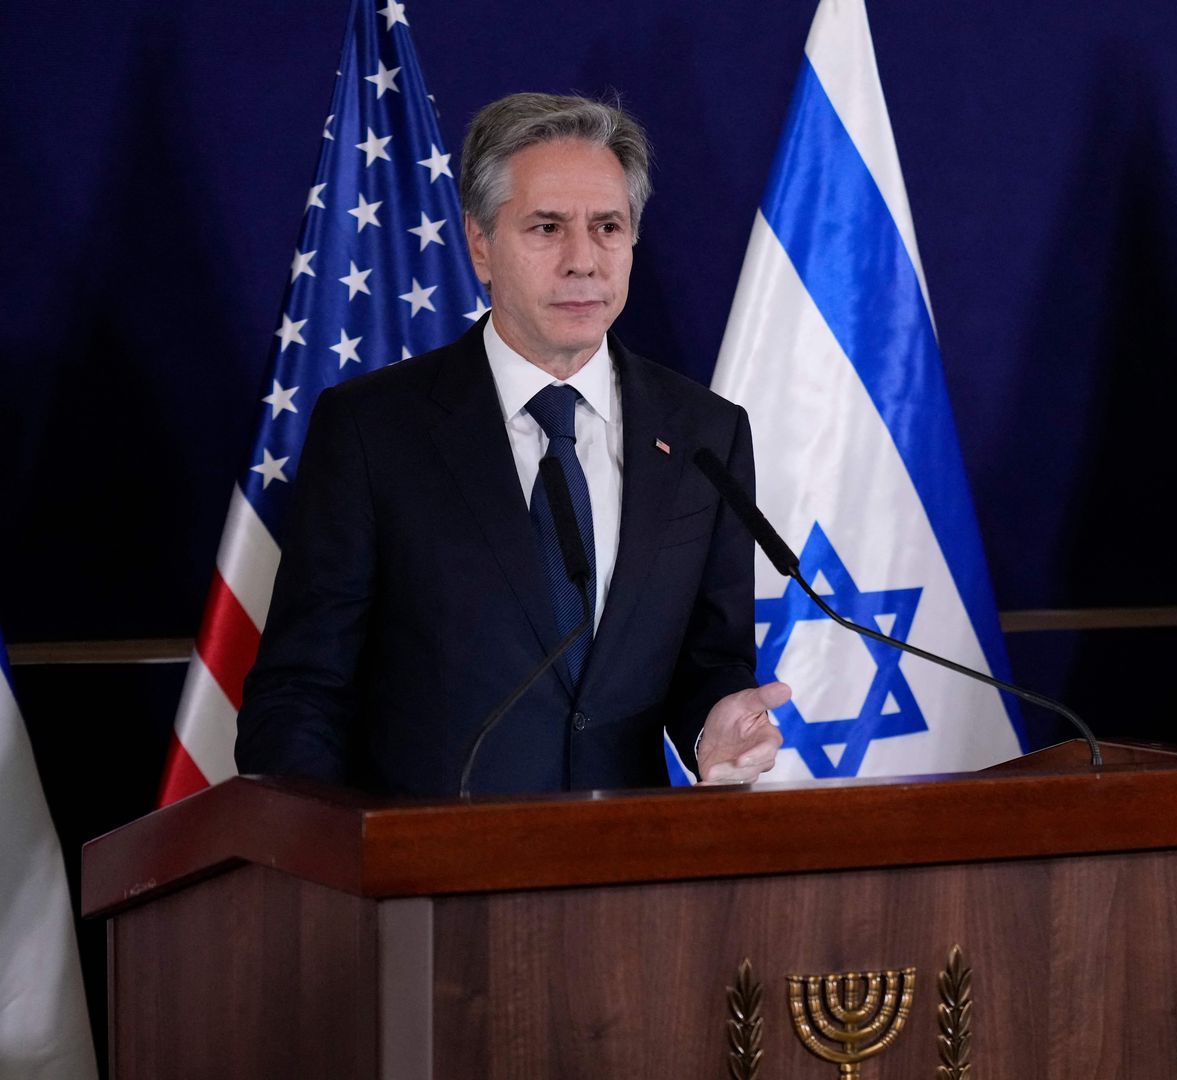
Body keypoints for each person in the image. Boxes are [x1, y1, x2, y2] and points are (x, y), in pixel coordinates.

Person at [236, 93, 784, 795]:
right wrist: (317, 861)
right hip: (424, 875)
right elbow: (302, 689)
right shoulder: (373, 430)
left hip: (631, 870)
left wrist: (715, 721)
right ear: (480, 244)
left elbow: (710, 659)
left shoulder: (704, 431)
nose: (583, 261)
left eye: (608, 227)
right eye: (547, 227)